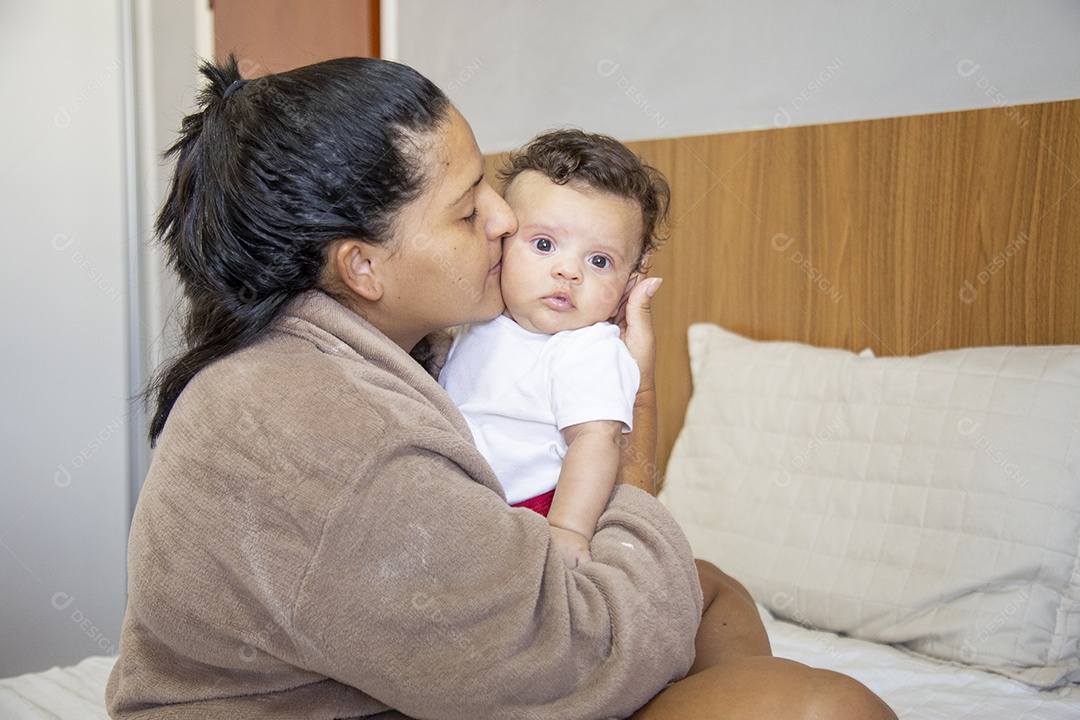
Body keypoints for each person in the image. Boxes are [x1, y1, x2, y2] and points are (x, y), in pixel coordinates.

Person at [106, 55, 897, 720]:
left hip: (406, 666)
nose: (503, 221)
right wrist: (637, 406)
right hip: (493, 669)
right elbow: (569, 650)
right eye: (465, 210)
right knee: (827, 708)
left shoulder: (342, 353)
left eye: (491, 184)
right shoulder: (340, 440)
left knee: (712, 591)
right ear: (363, 266)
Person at [439, 129, 668, 569]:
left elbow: (595, 439)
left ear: (630, 281)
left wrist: (568, 528)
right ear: (501, 240)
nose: (568, 271)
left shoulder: (588, 348)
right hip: (457, 500)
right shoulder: (480, 316)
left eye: (599, 261)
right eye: (544, 245)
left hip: (532, 510)